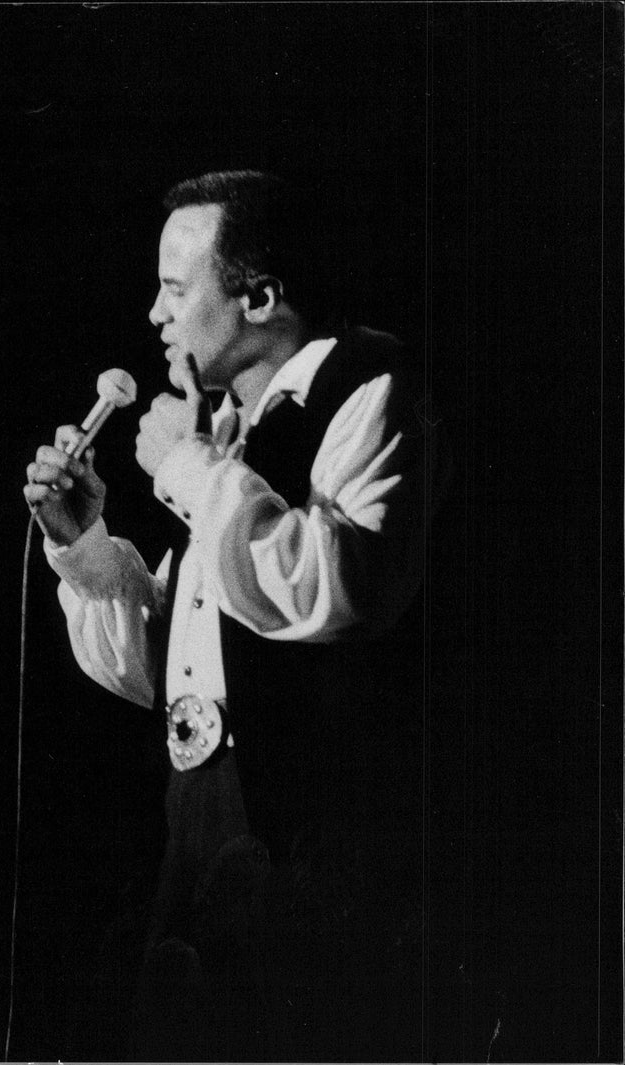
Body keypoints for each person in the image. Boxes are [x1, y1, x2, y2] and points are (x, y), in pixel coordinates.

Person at [24, 170, 440, 1060]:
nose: (154, 316)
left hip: (317, 845)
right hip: (200, 826)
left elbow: (337, 587)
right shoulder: (230, 434)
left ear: (257, 297)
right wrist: (86, 543)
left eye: (176, 290)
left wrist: (187, 468)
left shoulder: (372, 387)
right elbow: (177, 671)